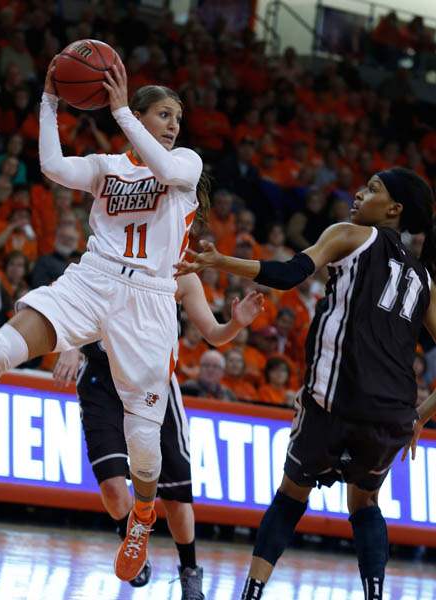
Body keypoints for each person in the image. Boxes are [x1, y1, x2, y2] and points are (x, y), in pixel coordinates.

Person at [0, 57, 209, 582]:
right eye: (163, 114)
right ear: (141, 113)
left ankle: (142, 516)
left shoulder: (185, 162)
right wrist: (50, 100)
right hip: (93, 278)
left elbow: (163, 169)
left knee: (145, 451)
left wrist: (120, 112)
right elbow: (51, 165)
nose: (172, 125)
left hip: (149, 299)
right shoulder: (107, 167)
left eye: (176, 118)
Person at [176, 167, 436, 600]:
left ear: (393, 209)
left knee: (291, 493)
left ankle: (252, 593)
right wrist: (422, 416)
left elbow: (289, 273)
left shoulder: (352, 235)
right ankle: (374, 595)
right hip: (393, 414)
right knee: (365, 503)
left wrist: (219, 261)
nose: (358, 192)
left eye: (372, 189)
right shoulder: (425, 279)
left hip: (336, 399)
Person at [53, 276, 263, 597]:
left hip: (153, 383)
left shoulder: (183, 275)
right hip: (101, 379)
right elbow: (62, 302)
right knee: (111, 486)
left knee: (176, 498)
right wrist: (68, 345)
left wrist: (234, 324)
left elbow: (214, 334)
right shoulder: (109, 252)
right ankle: (133, 544)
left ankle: (189, 569)